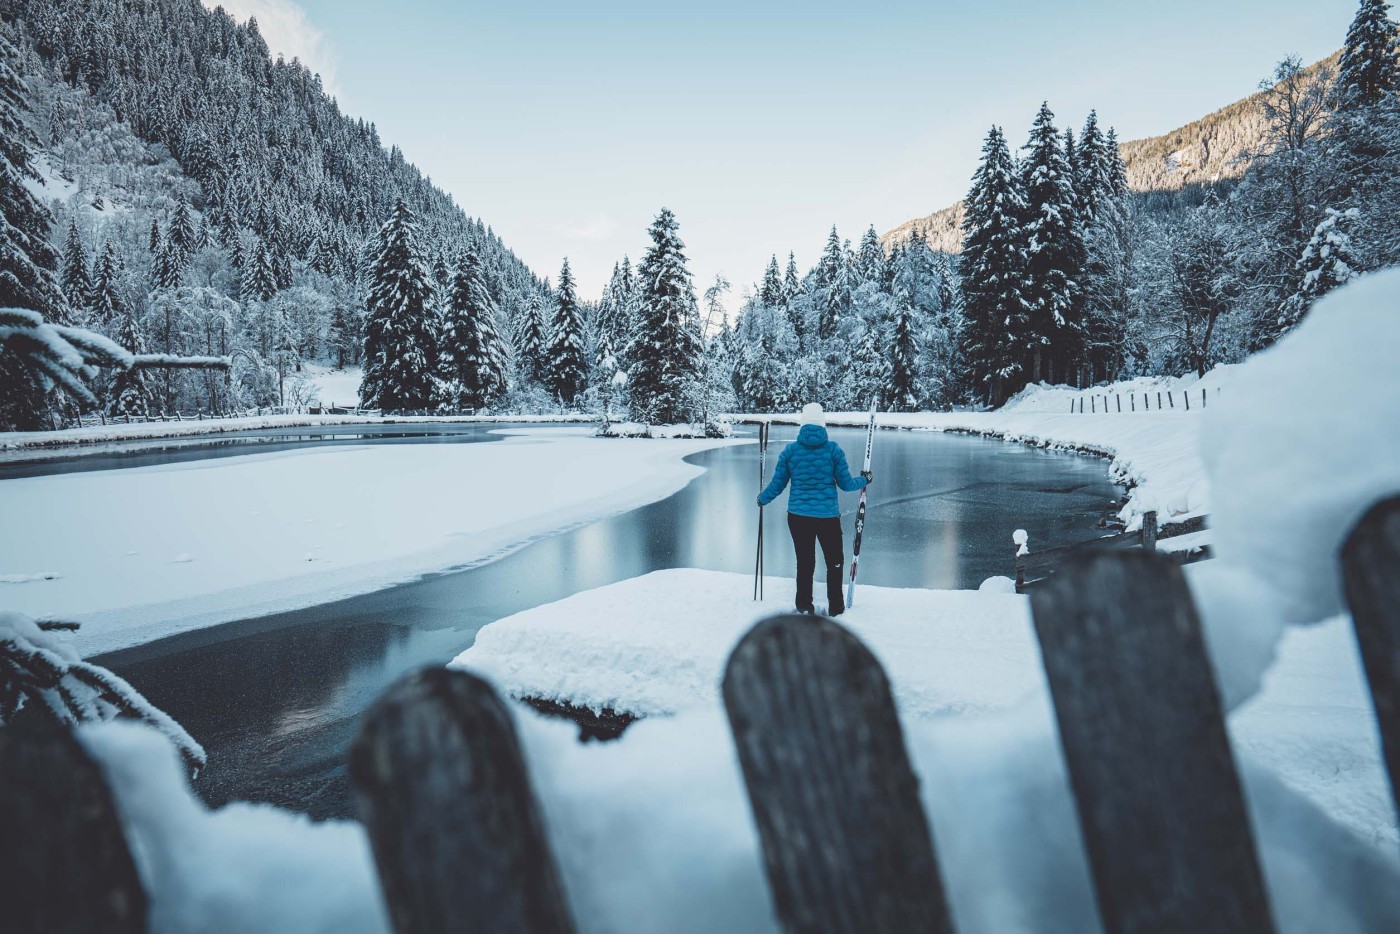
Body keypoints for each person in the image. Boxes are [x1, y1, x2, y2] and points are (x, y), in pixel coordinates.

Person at [757, 402, 871, 616]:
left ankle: (803, 607)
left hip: (798, 517)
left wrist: (762, 499)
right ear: (822, 424)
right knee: (834, 562)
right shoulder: (833, 450)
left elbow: (777, 485)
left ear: (802, 424)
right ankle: (836, 608)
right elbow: (846, 484)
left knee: (805, 563)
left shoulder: (790, 451)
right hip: (827, 516)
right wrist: (864, 480)